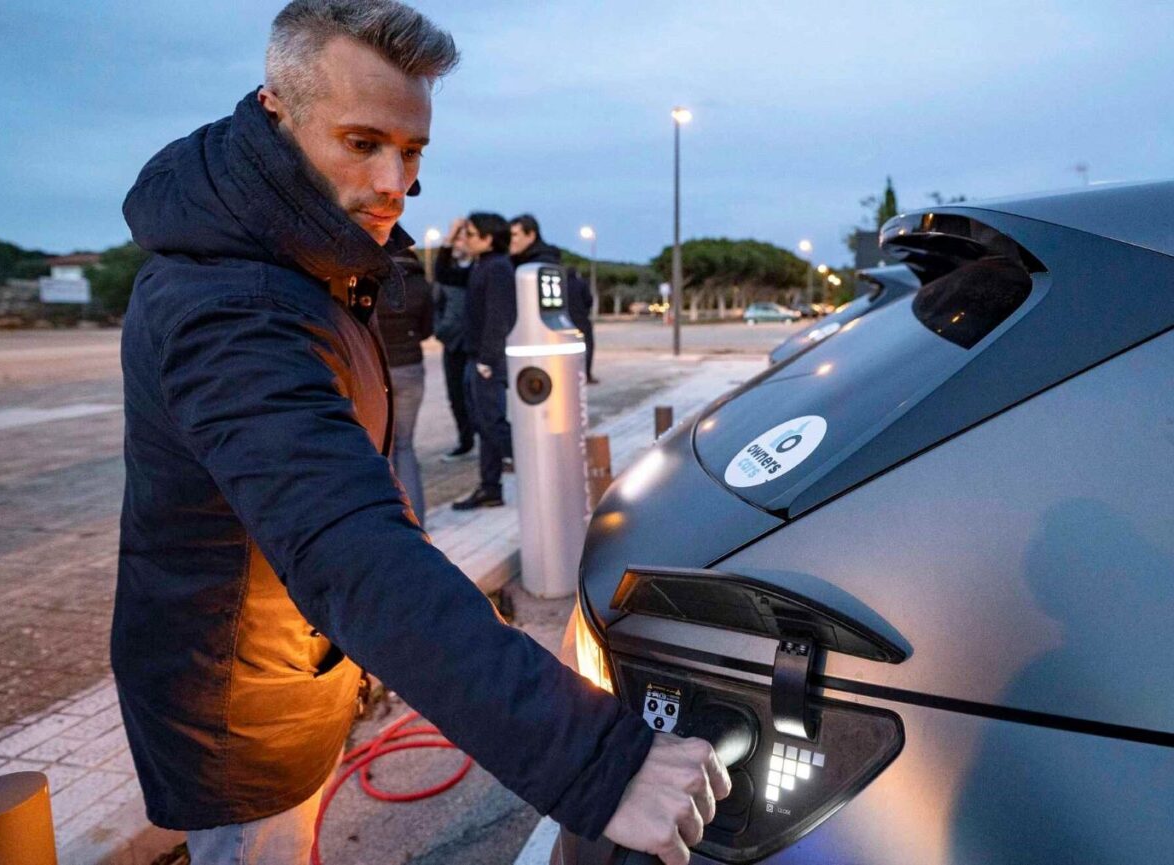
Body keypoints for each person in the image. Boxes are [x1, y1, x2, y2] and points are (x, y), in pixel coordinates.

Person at [111, 3, 725, 864]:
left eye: (413, 151)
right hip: (237, 718)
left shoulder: (300, 258)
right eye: (362, 143)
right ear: (275, 110)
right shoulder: (231, 305)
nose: (395, 181)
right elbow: (349, 549)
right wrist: (599, 760)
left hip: (282, 670)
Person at [451, 212, 516, 510]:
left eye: (471, 234)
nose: (466, 239)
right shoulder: (481, 265)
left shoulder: (498, 268)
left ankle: (541, 466)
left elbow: (498, 316)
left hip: (485, 361)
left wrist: (487, 360)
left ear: (488, 239)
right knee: (483, 424)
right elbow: (443, 273)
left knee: (492, 424)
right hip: (474, 357)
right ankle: (490, 488)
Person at [377, 248, 434, 518]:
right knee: (405, 445)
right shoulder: (420, 284)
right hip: (411, 368)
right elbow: (427, 330)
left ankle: (390, 521)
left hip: (380, 370)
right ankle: (417, 519)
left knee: (382, 448)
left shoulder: (373, 280)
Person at [511, 214, 597, 383]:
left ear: (531, 235)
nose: (510, 241)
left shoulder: (534, 268)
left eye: (514, 235)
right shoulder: (554, 268)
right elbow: (589, 301)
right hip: (573, 323)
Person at [430, 230, 477, 461]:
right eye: (456, 240)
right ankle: (465, 441)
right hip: (452, 345)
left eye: (464, 238)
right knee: (456, 397)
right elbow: (437, 302)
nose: (460, 243)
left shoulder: (477, 270)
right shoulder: (448, 274)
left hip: (474, 345)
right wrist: (441, 330)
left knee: (478, 398)